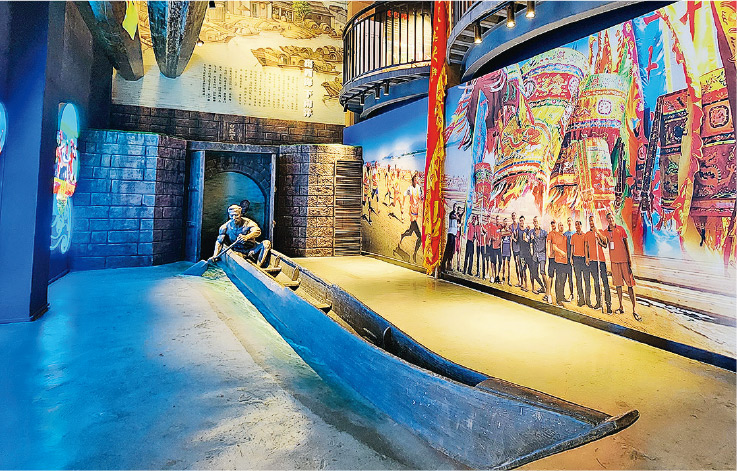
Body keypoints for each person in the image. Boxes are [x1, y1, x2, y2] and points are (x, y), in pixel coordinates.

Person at [604, 212, 640, 321]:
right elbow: (604, 244)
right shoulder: (606, 232)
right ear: (607, 220)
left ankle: (634, 308)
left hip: (624, 260)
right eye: (609, 219)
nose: (611, 220)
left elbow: (626, 243)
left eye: (612, 218)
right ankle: (621, 306)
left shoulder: (621, 229)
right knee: (618, 285)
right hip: (614, 262)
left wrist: (629, 259)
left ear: (614, 218)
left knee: (630, 285)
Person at [585, 215, 612, 313]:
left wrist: (598, 232)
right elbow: (586, 246)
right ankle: (598, 302)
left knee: (605, 282)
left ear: (595, 221)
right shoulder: (587, 234)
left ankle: (608, 304)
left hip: (601, 261)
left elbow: (605, 242)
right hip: (592, 261)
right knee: (596, 282)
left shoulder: (600, 231)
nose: (591, 222)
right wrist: (587, 257)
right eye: (590, 221)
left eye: (592, 221)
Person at [398, 172, 424, 263]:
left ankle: (403, 235)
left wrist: (422, 199)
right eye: (415, 179)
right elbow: (404, 194)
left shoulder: (419, 188)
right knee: (420, 237)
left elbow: (420, 199)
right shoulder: (410, 188)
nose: (416, 181)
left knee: (410, 232)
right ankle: (414, 254)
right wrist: (402, 205)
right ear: (413, 180)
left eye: (417, 179)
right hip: (412, 213)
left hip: (416, 212)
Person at [570, 220, 590, 307]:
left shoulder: (585, 235)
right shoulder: (573, 236)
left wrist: (587, 258)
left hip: (583, 259)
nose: (577, 226)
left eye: (578, 225)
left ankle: (588, 300)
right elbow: (572, 247)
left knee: (587, 280)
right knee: (578, 280)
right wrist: (571, 258)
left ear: (581, 226)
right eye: (576, 225)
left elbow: (586, 247)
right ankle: (581, 300)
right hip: (576, 259)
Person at [551, 221, 569, 306]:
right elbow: (554, 247)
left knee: (563, 279)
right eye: (560, 225)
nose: (561, 226)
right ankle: (558, 299)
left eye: (562, 225)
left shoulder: (565, 237)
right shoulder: (556, 236)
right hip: (558, 261)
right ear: (558, 227)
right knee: (558, 280)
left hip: (565, 261)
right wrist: (561, 252)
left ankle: (562, 296)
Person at [531, 216, 548, 297]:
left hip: (542, 254)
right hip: (535, 255)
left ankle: (547, 291)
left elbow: (548, 242)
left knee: (542, 272)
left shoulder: (544, 232)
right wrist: (529, 238)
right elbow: (527, 239)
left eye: (537, 221)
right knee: (534, 274)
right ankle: (543, 287)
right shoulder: (532, 232)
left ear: (539, 222)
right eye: (534, 221)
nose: (536, 223)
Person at [442, 204, 460, 271]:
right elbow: (452, 217)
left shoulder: (455, 215)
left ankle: (448, 265)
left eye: (456, 207)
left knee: (451, 251)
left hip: (454, 234)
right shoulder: (452, 214)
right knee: (448, 249)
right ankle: (443, 264)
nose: (455, 208)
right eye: (455, 207)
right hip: (450, 234)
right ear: (453, 207)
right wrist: (457, 217)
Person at [562, 217, 575, 302]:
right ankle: (564, 294)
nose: (569, 222)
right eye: (568, 221)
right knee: (565, 276)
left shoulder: (574, 233)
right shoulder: (565, 234)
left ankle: (572, 294)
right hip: (566, 258)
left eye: (570, 221)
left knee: (572, 277)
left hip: (573, 258)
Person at [510, 212, 522, 287]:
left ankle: (522, 280)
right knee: (516, 264)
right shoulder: (511, 226)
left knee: (519, 263)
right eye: (513, 216)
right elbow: (511, 236)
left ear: (516, 216)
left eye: (514, 216)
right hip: (514, 248)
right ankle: (519, 280)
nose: (514, 217)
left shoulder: (519, 225)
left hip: (519, 248)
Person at [500, 217, 512, 286]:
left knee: (509, 264)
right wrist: (506, 233)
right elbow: (502, 234)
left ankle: (509, 279)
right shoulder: (502, 230)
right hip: (504, 247)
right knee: (504, 263)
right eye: (504, 222)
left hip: (508, 248)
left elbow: (510, 234)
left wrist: (506, 232)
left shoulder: (509, 229)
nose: (505, 223)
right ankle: (503, 277)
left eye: (506, 221)